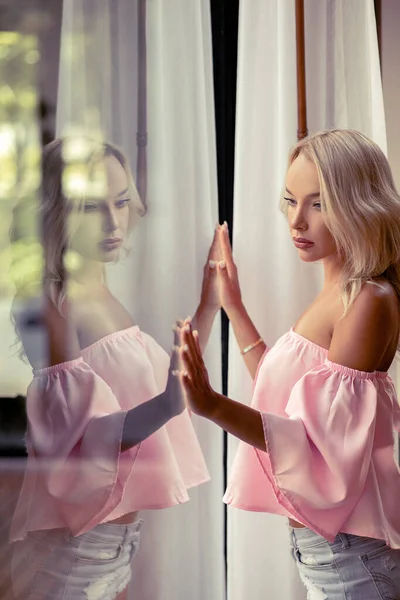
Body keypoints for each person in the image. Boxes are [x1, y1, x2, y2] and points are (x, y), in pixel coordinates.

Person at [176, 129, 400, 599]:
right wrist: (233, 307)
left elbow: (316, 448)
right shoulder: (341, 294)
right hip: (334, 555)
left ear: (357, 203)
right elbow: (294, 405)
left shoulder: (367, 301)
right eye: (290, 200)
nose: (297, 221)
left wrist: (211, 405)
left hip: (353, 559)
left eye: (318, 204)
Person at [9, 138, 220, 600]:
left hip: (114, 549)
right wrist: (168, 403)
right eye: (90, 207)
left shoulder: (102, 292)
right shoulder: (46, 302)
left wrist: (208, 308)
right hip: (74, 555)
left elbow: (157, 380)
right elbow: (79, 439)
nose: (113, 222)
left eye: (121, 202)